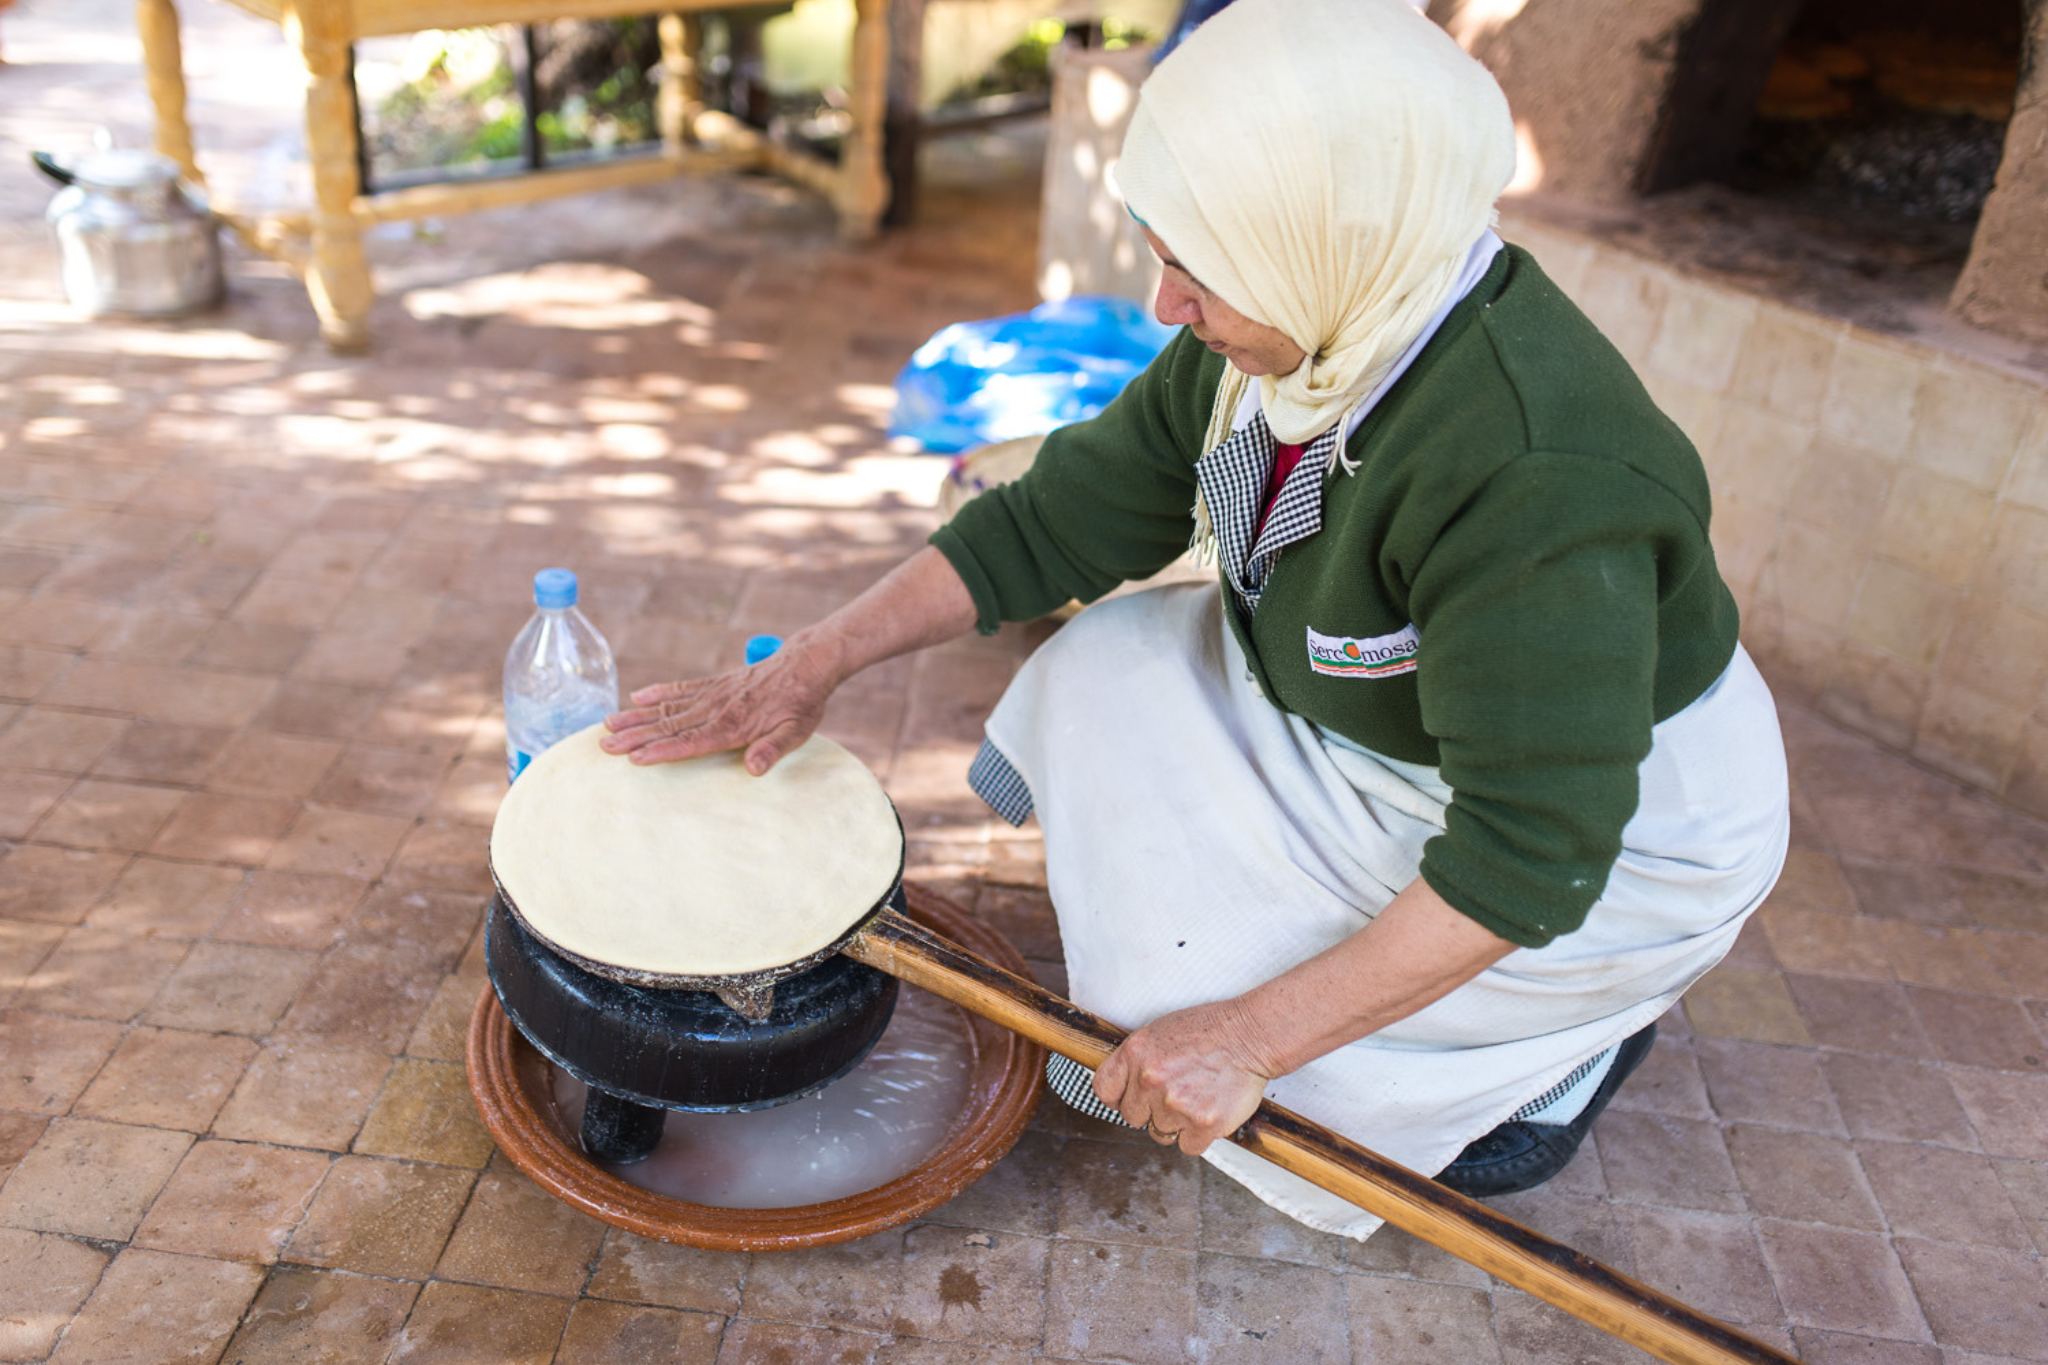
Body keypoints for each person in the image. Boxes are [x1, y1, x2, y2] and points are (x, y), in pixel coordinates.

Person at [602, 0, 1789, 1240]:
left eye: (1198, 272)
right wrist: (814, 660)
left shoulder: (1536, 478)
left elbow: (1527, 853)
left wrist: (1248, 1037)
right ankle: (1400, 999)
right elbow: (1051, 520)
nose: (1165, 306)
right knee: (1106, 663)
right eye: (1162, 254)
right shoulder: (1311, 320)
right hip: (1384, 737)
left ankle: (1561, 1052)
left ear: (1315, 243)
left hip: (1606, 838)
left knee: (1279, 1057)